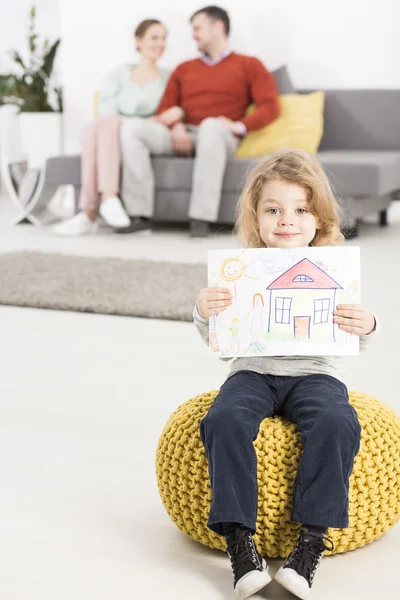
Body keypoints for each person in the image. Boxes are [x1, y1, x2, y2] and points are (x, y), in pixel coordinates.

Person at [194, 149, 377, 600]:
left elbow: (357, 335)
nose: (286, 221)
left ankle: (311, 541)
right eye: (273, 210)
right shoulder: (242, 270)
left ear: (320, 219)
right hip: (253, 371)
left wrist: (367, 324)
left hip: (317, 373)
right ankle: (240, 541)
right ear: (256, 219)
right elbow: (220, 341)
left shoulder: (332, 271)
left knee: (337, 422)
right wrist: (204, 311)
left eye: (300, 210)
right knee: (223, 419)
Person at [117, 5, 279, 238]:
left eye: (197, 28)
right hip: (184, 133)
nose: (193, 34)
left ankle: (201, 218)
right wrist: (176, 126)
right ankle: (139, 216)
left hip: (219, 134)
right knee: (133, 130)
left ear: (218, 27)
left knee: (210, 126)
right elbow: (167, 108)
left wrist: (239, 126)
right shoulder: (184, 69)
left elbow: (270, 106)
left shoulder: (249, 64)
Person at [54, 19, 172, 236]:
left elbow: (168, 112)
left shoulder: (169, 77)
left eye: (164, 38)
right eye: (154, 37)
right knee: (98, 126)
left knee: (98, 129)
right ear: (138, 41)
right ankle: (107, 198)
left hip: (145, 132)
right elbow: (106, 109)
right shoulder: (119, 74)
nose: (160, 43)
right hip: (114, 129)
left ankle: (90, 211)